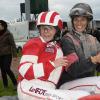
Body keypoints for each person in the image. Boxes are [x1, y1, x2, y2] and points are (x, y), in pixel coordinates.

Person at [17, 11, 90, 100]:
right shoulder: (35, 43)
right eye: (43, 28)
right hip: (30, 85)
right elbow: (25, 70)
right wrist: (53, 64)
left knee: (84, 95)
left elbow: (69, 68)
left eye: (50, 28)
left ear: (57, 31)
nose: (46, 32)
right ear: (39, 29)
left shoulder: (57, 47)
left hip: (50, 88)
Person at [57, 3, 100, 88]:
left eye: (83, 19)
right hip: (69, 83)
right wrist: (94, 59)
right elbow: (73, 69)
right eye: (76, 19)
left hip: (87, 82)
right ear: (72, 21)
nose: (79, 23)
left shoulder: (93, 39)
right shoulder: (67, 39)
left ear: (88, 21)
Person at [0, 20, 17, 90]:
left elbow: (13, 45)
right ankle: (5, 85)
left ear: (3, 26)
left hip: (7, 54)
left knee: (7, 68)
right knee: (2, 70)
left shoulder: (8, 34)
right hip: (0, 55)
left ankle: (15, 83)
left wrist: (15, 55)